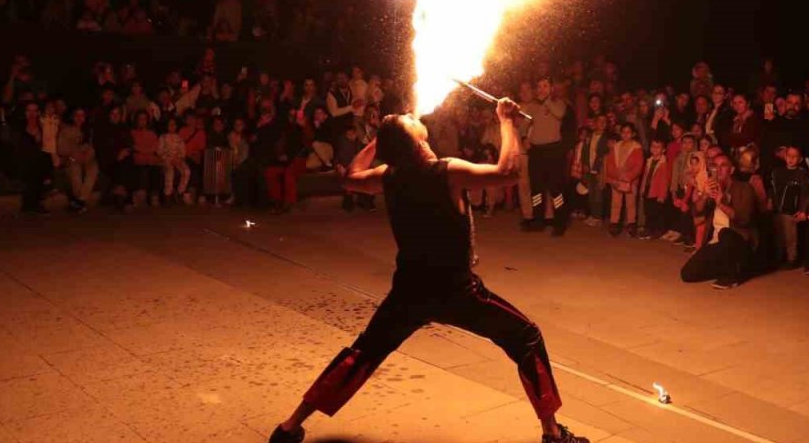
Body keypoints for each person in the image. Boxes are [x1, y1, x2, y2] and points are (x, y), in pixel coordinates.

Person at [268, 98, 588, 443]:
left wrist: (381, 139)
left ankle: (289, 427)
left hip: (409, 293)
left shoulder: (388, 176)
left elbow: (351, 178)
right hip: (457, 292)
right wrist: (507, 121)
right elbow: (508, 172)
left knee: (362, 353)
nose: (412, 116)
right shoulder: (446, 172)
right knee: (527, 337)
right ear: (418, 140)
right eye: (407, 121)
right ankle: (553, 434)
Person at [680, 152, 757, 289]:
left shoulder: (744, 188)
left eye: (723, 166)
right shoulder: (712, 187)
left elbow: (744, 219)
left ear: (731, 170)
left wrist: (721, 202)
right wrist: (704, 195)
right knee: (687, 274)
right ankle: (727, 267)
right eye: (715, 166)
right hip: (718, 243)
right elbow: (697, 212)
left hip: (739, 241)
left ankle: (731, 276)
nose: (718, 169)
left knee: (725, 233)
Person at [522, 78, 570, 234]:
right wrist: (524, 139)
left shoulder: (559, 103)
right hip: (536, 152)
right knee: (536, 188)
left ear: (551, 89)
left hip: (553, 151)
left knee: (556, 189)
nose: (541, 89)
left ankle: (560, 223)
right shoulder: (532, 106)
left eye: (545, 86)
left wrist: (547, 101)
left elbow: (560, 115)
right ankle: (538, 221)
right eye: (539, 86)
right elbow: (523, 126)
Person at [604, 122, 644, 237]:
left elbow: (638, 166)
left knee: (630, 203)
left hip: (630, 181)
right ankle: (614, 223)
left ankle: (631, 223)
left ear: (633, 134)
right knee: (616, 202)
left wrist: (628, 176)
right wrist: (616, 176)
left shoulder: (637, 148)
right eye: (623, 132)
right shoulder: (616, 147)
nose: (625, 135)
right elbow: (610, 163)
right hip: (617, 179)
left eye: (628, 132)